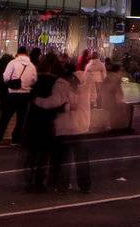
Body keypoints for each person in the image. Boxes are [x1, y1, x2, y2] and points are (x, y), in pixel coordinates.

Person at [38, 58, 93, 193]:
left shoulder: (61, 84)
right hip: (83, 125)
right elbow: (93, 99)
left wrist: (37, 101)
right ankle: (85, 185)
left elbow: (54, 102)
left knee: (62, 158)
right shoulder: (86, 83)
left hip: (65, 126)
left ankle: (62, 185)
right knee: (82, 159)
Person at [23, 59, 63, 192]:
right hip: (48, 120)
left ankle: (30, 180)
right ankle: (40, 181)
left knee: (33, 153)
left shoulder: (35, 82)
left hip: (34, 120)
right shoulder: (55, 82)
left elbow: (29, 100)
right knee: (44, 154)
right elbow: (57, 102)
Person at [0, 46, 38, 145]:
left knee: (5, 117)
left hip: (12, 94)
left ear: (18, 53)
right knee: (21, 119)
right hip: (25, 95)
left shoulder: (13, 63)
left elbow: (6, 77)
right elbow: (34, 80)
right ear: (26, 54)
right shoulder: (32, 66)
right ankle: (16, 139)